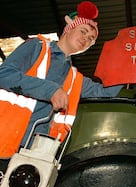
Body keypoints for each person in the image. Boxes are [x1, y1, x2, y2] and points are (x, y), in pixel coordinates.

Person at [0, 1, 122, 172]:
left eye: (91, 39)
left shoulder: (75, 78)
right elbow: (3, 75)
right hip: (3, 138)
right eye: (83, 31)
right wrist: (50, 90)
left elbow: (104, 92)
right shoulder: (36, 47)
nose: (86, 39)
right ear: (69, 28)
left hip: (33, 153)